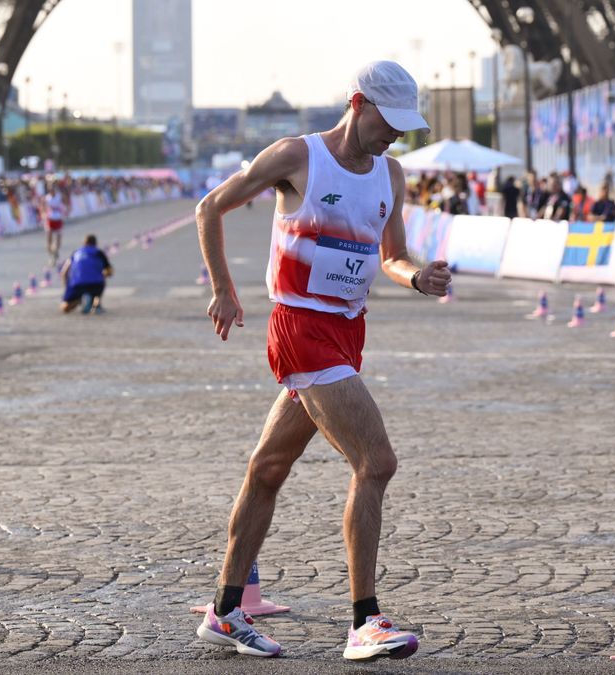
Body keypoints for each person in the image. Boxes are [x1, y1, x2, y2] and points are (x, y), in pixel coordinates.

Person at [194, 60, 448, 661]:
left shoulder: (391, 173)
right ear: (358, 103)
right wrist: (224, 290)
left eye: (405, 128)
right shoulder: (296, 156)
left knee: (268, 469)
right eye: (390, 122)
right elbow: (210, 208)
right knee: (376, 462)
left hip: (347, 331)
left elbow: (393, 255)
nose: (396, 136)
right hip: (299, 326)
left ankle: (226, 612)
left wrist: (418, 279)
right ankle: (365, 621)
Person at [59, 234, 113, 314]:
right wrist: (103, 275)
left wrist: (67, 288)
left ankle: (79, 300)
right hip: (95, 284)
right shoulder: (98, 252)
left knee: (65, 308)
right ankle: (96, 304)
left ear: (84, 243)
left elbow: (64, 272)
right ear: (95, 243)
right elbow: (109, 271)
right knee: (102, 277)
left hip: (77, 284)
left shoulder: (76, 252)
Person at [41, 182, 68, 267]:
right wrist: (44, 214)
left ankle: (55, 252)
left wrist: (65, 210)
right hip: (50, 219)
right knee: (49, 239)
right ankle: (52, 255)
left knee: (58, 241)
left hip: (58, 219)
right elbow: (42, 207)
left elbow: (66, 202)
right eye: (50, 189)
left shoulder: (60, 196)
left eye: (53, 189)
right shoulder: (46, 198)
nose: (51, 191)